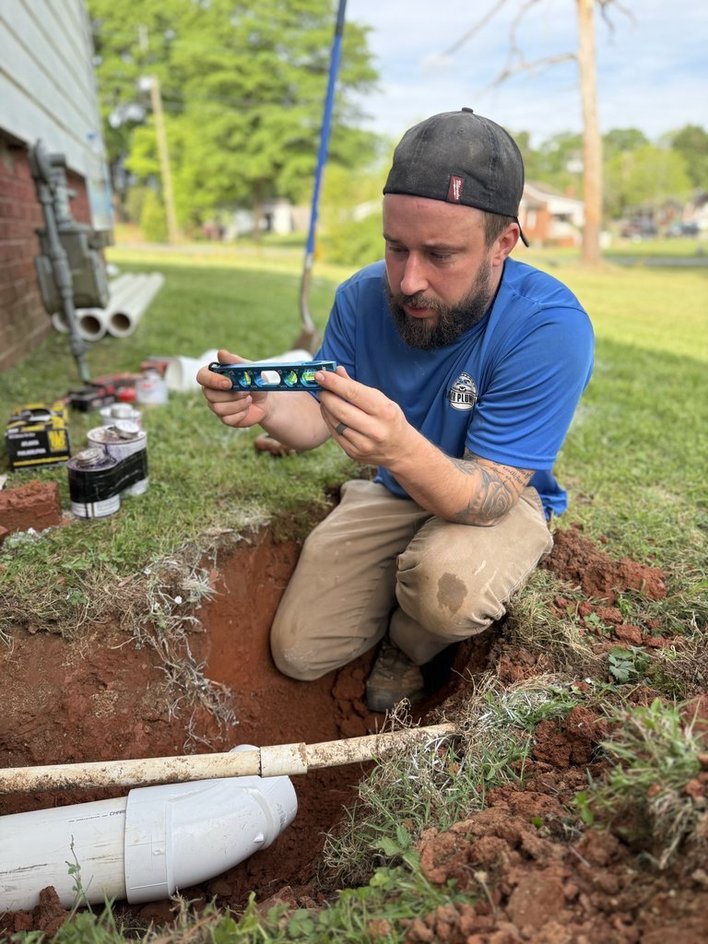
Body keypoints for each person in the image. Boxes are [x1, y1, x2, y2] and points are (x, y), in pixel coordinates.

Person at [197, 107, 594, 712]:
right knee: (299, 651)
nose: (408, 281)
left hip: (498, 497)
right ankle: (398, 568)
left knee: (445, 594)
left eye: (440, 255)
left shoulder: (548, 326)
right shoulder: (360, 298)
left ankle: (409, 645)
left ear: (503, 242)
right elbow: (315, 418)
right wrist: (268, 406)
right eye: (395, 247)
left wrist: (399, 448)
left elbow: (486, 494)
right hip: (393, 487)